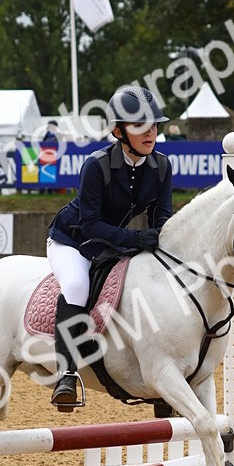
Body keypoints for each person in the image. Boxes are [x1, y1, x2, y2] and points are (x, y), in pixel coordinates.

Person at [46, 85, 172, 409]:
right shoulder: (96, 165)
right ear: (118, 131)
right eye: (140, 126)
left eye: (154, 125)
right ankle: (66, 373)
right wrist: (135, 239)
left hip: (110, 244)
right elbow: (89, 225)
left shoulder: (161, 166)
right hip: (72, 241)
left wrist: (158, 239)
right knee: (75, 286)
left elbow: (163, 216)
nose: (150, 133)